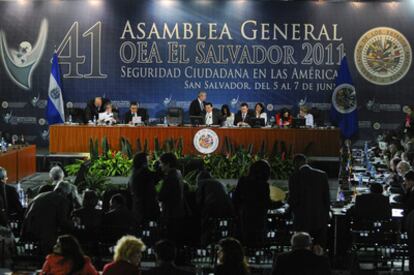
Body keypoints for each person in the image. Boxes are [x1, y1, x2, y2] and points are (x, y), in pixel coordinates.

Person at [288, 154, 330, 248]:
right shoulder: (322, 175)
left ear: (296, 163)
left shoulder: (294, 177)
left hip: (301, 221)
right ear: (305, 161)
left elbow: (293, 200)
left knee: (301, 246)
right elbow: (326, 199)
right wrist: (325, 216)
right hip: (319, 219)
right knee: (318, 246)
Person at [21, 181, 74, 253]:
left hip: (27, 232)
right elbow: (63, 222)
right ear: (64, 192)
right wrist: (73, 223)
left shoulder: (39, 196)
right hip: (45, 237)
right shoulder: (62, 200)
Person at [233, 160, 271, 247]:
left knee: (244, 239)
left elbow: (236, 198)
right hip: (259, 216)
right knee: (256, 240)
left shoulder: (243, 180)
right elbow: (266, 203)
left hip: (244, 214)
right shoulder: (264, 185)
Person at [196, 170, 234, 245]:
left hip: (212, 209)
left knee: (206, 226)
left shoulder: (202, 183)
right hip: (228, 209)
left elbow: (199, 201)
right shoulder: (218, 183)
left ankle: (205, 245)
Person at [158, 153, 188, 244]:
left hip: (170, 214)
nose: (160, 165)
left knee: (170, 239)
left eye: (161, 163)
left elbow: (161, 196)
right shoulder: (178, 174)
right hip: (178, 212)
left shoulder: (170, 177)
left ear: (167, 164)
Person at [128, 152, 160, 225]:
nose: (148, 160)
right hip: (146, 206)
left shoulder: (134, 172)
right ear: (143, 161)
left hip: (138, 206)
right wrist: (159, 167)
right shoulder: (143, 171)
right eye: (147, 159)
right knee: (149, 227)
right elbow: (155, 177)